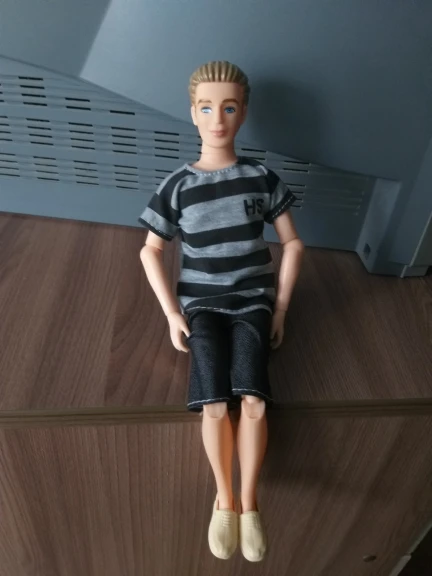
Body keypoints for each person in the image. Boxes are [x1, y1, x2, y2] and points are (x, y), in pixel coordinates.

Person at [139, 61, 304, 562]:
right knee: (214, 401)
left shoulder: (260, 177)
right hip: (202, 303)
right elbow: (150, 250)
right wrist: (172, 313)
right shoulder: (178, 185)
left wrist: (279, 308)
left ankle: (249, 502)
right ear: (193, 113)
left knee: (253, 399)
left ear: (243, 113)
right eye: (207, 108)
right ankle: (223, 499)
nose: (218, 119)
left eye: (229, 108)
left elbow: (293, 244)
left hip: (253, 299)